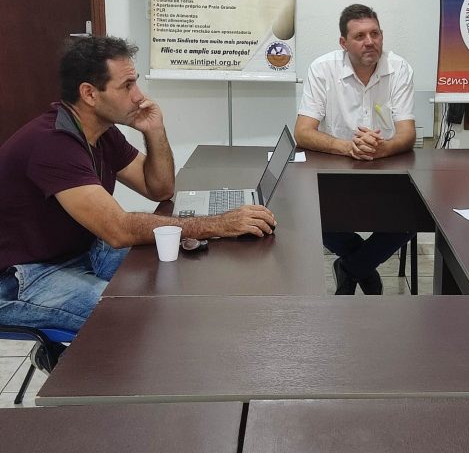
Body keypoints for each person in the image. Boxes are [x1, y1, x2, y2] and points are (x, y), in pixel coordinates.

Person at [0, 36, 276, 332]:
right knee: (133, 319)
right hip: (23, 277)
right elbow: (117, 230)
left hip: (81, 250)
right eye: (127, 86)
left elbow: (159, 188)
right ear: (90, 94)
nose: (138, 95)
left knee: (182, 266)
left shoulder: (100, 132)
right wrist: (221, 224)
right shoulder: (52, 145)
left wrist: (154, 130)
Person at [294, 4, 416, 295]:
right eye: (360, 36)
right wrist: (349, 147)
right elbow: (302, 132)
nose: (369, 41)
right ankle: (363, 266)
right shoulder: (323, 69)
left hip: (385, 169)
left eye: (375, 33)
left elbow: (407, 134)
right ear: (343, 43)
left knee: (414, 217)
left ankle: (351, 268)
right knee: (309, 216)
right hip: (334, 168)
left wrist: (379, 150)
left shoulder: (399, 68)